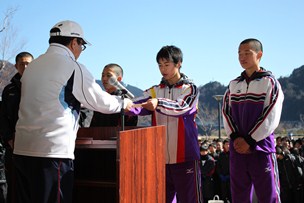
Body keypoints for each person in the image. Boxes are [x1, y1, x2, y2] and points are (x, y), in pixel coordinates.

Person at [12, 20, 132, 203]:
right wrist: (123, 103)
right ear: (74, 42)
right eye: (81, 46)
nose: (80, 51)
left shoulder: (33, 67)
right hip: (52, 153)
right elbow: (99, 101)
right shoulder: (72, 67)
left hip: (21, 150)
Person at [128, 45, 202, 203]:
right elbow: (136, 105)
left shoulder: (190, 89)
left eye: (166, 64)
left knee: (190, 200)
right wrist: (123, 105)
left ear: (179, 63)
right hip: (159, 158)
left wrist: (158, 103)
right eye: (160, 65)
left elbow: (182, 107)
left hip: (185, 156)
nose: (163, 69)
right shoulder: (154, 90)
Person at [222, 38, 284, 203]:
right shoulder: (233, 84)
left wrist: (249, 140)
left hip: (261, 149)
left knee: (268, 195)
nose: (242, 57)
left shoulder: (270, 82)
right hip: (237, 150)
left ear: (259, 55)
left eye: (247, 53)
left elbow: (271, 116)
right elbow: (226, 113)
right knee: (239, 196)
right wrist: (236, 138)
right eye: (239, 54)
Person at [0, 52, 34, 203]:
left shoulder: (40, 86)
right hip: (13, 144)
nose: (25, 67)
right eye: (22, 64)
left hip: (35, 144)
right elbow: (2, 117)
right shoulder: (8, 90)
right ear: (16, 66)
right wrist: (8, 139)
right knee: (13, 185)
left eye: (28, 63)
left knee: (33, 187)